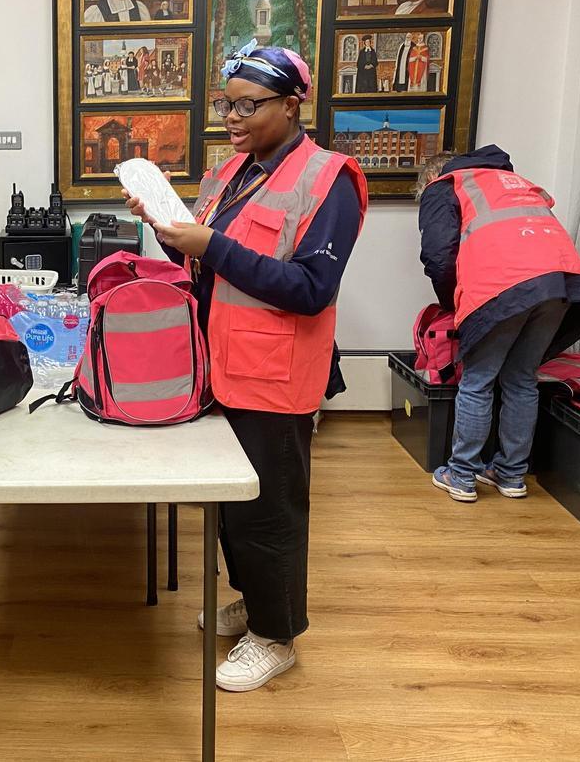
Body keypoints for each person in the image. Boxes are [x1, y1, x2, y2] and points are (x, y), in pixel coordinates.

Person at [124, 39, 367, 693]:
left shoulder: (329, 181)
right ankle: (256, 602)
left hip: (276, 375)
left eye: (248, 106)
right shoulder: (232, 174)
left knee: (272, 511)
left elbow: (312, 288)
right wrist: (171, 234)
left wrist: (214, 245)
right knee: (233, 505)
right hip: (219, 366)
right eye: (227, 105)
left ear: (291, 106)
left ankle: (277, 634)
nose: (232, 118)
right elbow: (203, 269)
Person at [417, 148, 580, 502]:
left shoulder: (444, 185)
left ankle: (461, 475)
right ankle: (511, 475)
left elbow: (439, 255)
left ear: (430, 176)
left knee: (477, 380)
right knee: (521, 379)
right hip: (560, 283)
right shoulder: (513, 182)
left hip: (503, 285)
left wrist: (451, 305)